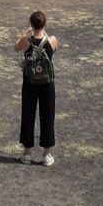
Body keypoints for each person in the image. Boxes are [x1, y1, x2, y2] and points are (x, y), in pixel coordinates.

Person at [14, 11, 59, 165]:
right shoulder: (52, 40)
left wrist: (26, 33)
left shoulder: (26, 41)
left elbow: (16, 47)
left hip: (29, 83)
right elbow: (53, 49)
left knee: (28, 115)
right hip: (47, 83)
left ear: (31, 24)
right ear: (45, 24)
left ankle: (27, 153)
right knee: (47, 116)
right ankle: (47, 154)